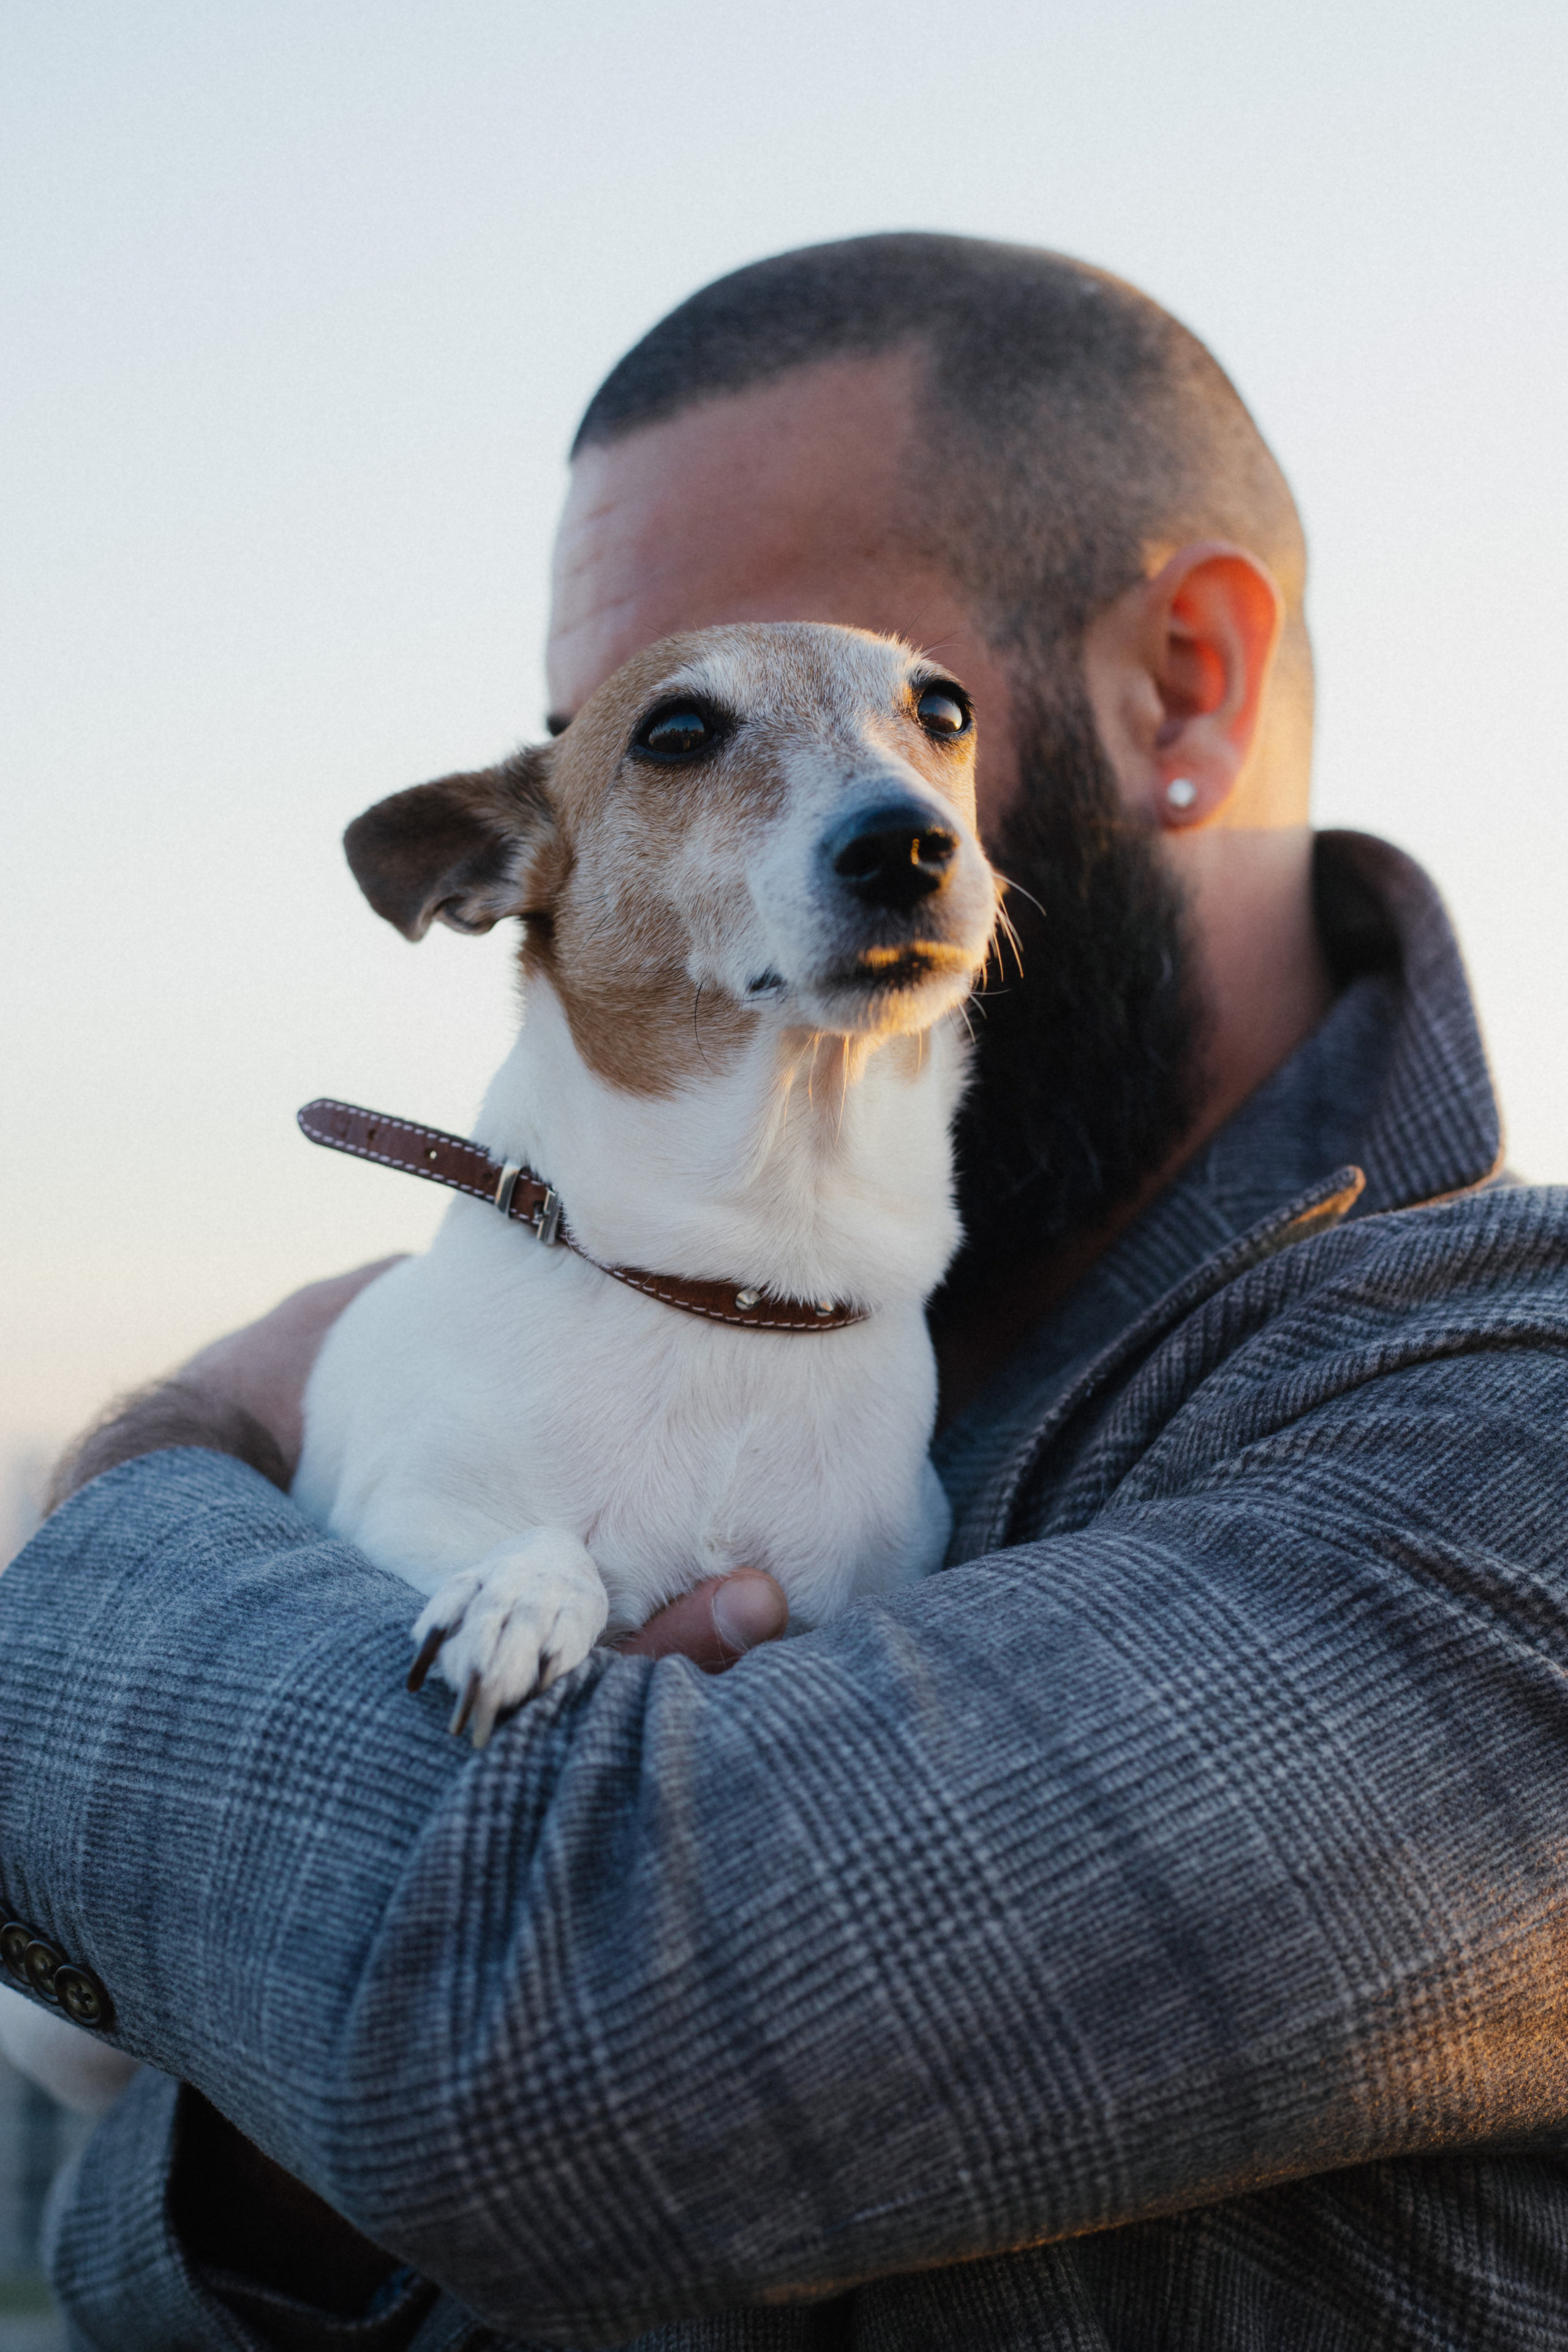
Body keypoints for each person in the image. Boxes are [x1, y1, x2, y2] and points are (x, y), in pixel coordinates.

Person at [7, 234, 1568, 2351]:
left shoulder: (1514, 1432)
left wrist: (157, 1470)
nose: (844, 794)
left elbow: (547, 2073)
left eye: (911, 700)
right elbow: (109, 2219)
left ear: (1184, 683)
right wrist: (281, 2126)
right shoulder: (712, 1341)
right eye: (668, 735)